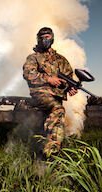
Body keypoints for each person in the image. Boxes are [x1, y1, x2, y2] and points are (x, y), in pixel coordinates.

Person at [23, 27, 78, 161]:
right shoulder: (33, 57)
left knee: (57, 126)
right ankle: (49, 155)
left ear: (52, 38)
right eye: (41, 37)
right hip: (40, 94)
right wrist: (48, 79)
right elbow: (28, 74)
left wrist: (70, 88)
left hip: (56, 96)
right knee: (58, 110)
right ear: (38, 39)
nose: (44, 40)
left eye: (47, 37)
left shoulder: (61, 60)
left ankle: (53, 154)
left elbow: (67, 77)